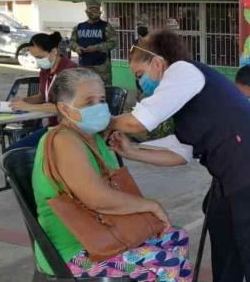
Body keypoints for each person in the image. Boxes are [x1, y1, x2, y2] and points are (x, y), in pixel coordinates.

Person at [107, 31, 250, 282]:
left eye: (140, 75)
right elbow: (182, 153)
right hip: (229, 178)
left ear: (157, 62)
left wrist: (104, 123)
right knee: (224, 250)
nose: (140, 84)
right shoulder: (186, 98)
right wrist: (132, 152)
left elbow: (141, 121)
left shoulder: (183, 72)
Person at [32, 68, 193, 281]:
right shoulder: (63, 140)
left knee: (177, 237)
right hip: (74, 249)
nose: (99, 107)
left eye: (101, 100)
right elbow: (97, 198)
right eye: (89, 102)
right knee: (165, 265)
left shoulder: (92, 137)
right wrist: (151, 205)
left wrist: (127, 150)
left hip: (106, 230)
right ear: (65, 108)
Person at [8, 32, 77, 150]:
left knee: (23, 154)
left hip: (70, 129)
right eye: (35, 58)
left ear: (54, 52)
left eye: (40, 57)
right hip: (53, 127)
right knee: (13, 151)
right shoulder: (45, 70)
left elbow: (65, 108)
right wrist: (24, 101)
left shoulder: (70, 71)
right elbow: (43, 96)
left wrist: (28, 107)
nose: (38, 61)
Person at [70, 0, 117, 85]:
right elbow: (71, 42)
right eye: (92, 9)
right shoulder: (79, 27)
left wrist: (96, 48)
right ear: (87, 11)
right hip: (84, 66)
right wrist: (77, 48)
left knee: (104, 91)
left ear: (100, 11)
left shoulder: (106, 26)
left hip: (102, 68)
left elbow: (113, 42)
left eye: (96, 9)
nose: (94, 12)